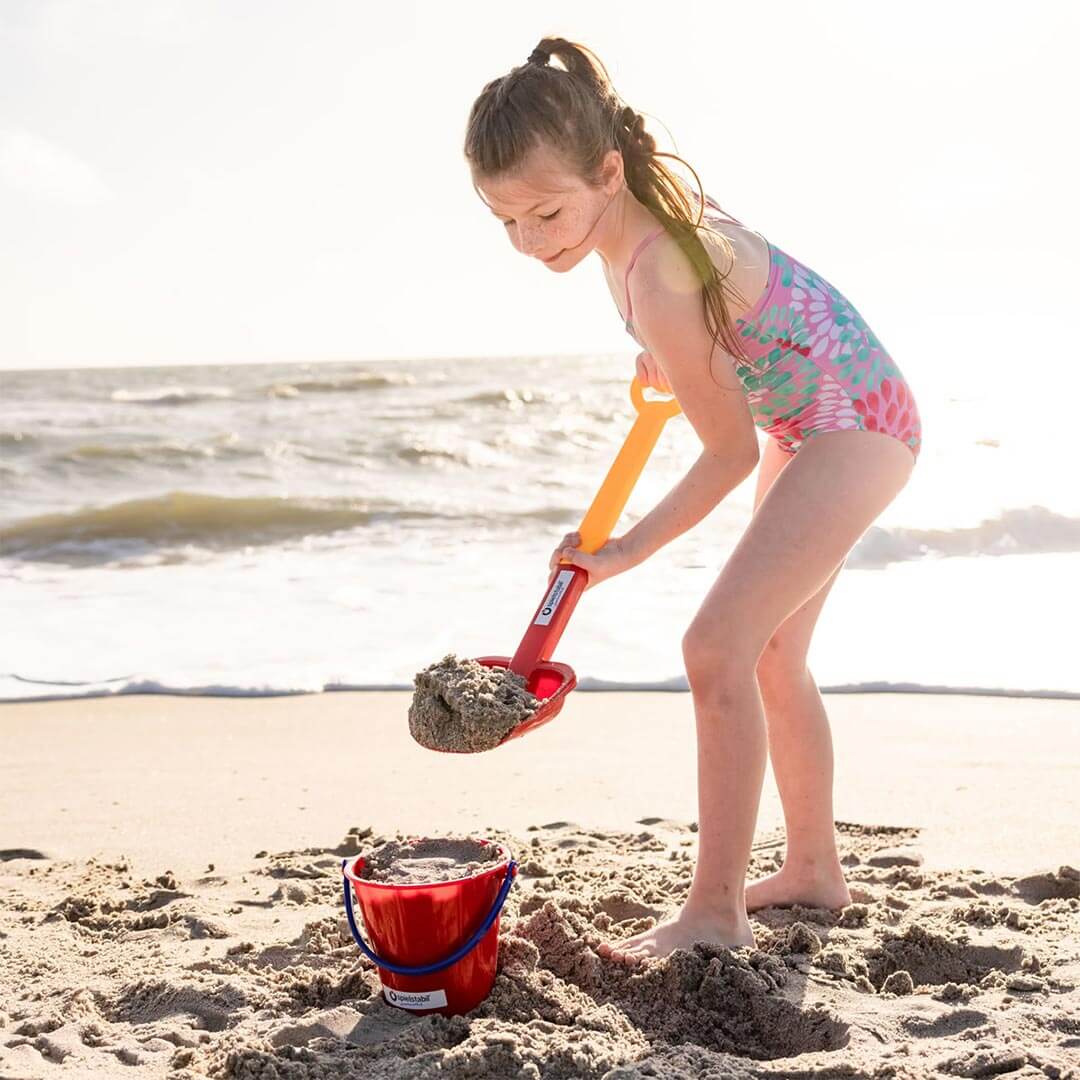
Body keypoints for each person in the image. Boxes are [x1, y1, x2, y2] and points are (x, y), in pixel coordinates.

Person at [464, 37, 922, 965]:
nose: (531, 240)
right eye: (506, 222)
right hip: (815, 422)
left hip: (851, 426)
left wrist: (624, 550)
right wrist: (674, 362)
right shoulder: (623, 238)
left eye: (546, 212)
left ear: (607, 170)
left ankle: (715, 910)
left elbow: (726, 449)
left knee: (715, 647)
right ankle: (814, 871)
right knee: (771, 656)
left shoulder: (662, 261)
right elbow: (735, 338)